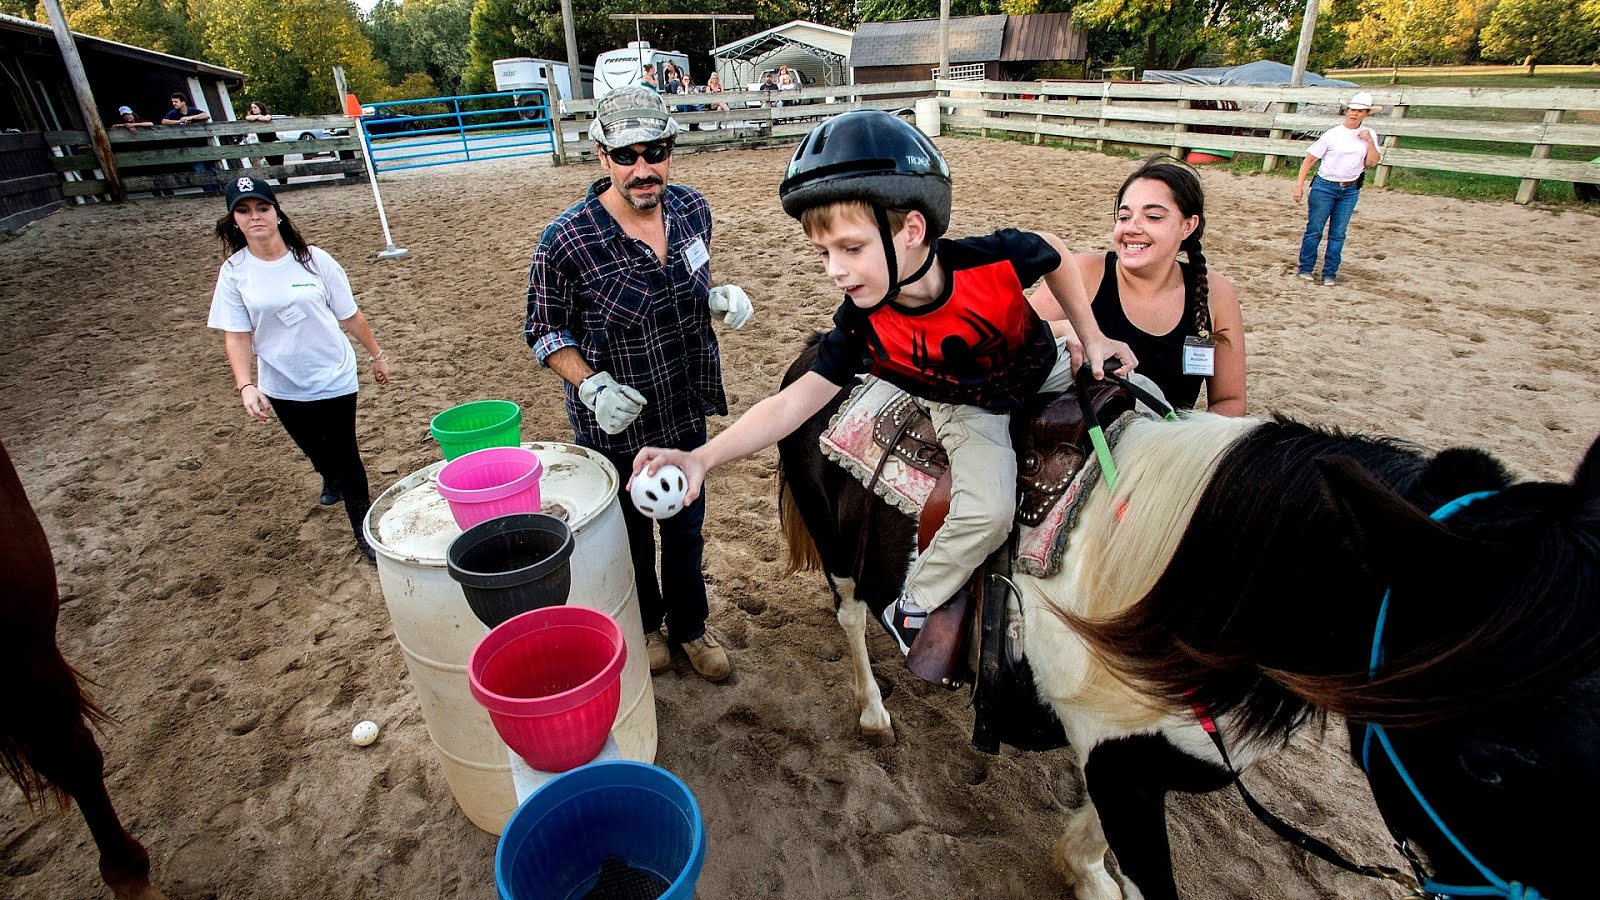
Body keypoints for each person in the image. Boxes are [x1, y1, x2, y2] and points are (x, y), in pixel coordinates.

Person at [632, 110, 1134, 659]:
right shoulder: (862, 326)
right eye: (824, 253)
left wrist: (1092, 335)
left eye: (851, 249)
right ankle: (914, 602)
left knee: (1143, 397)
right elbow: (790, 405)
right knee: (987, 512)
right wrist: (701, 458)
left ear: (911, 231)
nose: (834, 270)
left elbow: (1055, 251)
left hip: (1042, 365)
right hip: (970, 407)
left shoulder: (990, 260)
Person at [525, 86, 755, 683]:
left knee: (685, 531)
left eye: (655, 152)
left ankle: (691, 628)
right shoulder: (567, 239)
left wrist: (717, 297)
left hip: (682, 408)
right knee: (629, 535)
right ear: (602, 156)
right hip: (614, 427)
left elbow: (690, 282)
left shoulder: (693, 209)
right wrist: (591, 385)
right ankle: (648, 626)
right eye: (626, 155)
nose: (642, 168)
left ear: (670, 151)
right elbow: (543, 329)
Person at [207, 175, 391, 562]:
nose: (255, 216)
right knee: (314, 448)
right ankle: (328, 474)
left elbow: (349, 314)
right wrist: (246, 385)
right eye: (244, 211)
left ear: (277, 213)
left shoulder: (313, 259)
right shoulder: (235, 272)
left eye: (262, 208)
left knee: (345, 453)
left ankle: (363, 531)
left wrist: (376, 355)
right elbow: (236, 335)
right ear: (234, 220)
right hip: (282, 381)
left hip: (333, 373)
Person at [1029, 156, 1246, 415]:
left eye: (1153, 217)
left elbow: (1230, 400)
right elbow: (1002, 336)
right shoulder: (1081, 273)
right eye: (1124, 217)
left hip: (1165, 436)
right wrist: (1062, 328)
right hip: (1073, 434)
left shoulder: (1216, 294)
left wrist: (1181, 437)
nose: (1132, 228)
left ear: (1188, 226)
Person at [1295, 91, 1382, 286]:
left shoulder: (1369, 135)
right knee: (1315, 229)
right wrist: (1299, 186)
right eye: (1352, 110)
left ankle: (1330, 273)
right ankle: (1306, 267)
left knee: (1338, 233)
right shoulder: (1333, 134)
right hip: (1325, 186)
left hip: (1350, 189)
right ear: (1347, 111)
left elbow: (1372, 162)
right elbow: (1309, 160)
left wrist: (1369, 141)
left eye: (1359, 111)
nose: (1354, 114)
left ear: (1366, 114)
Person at [242, 100, 284, 182]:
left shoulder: (267, 114)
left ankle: (284, 183)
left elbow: (266, 118)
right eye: (252, 108)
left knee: (279, 164)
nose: (253, 109)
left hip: (274, 141)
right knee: (272, 165)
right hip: (264, 144)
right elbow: (248, 117)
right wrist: (258, 116)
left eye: (255, 107)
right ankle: (281, 182)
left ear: (260, 108)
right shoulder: (252, 117)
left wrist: (259, 117)